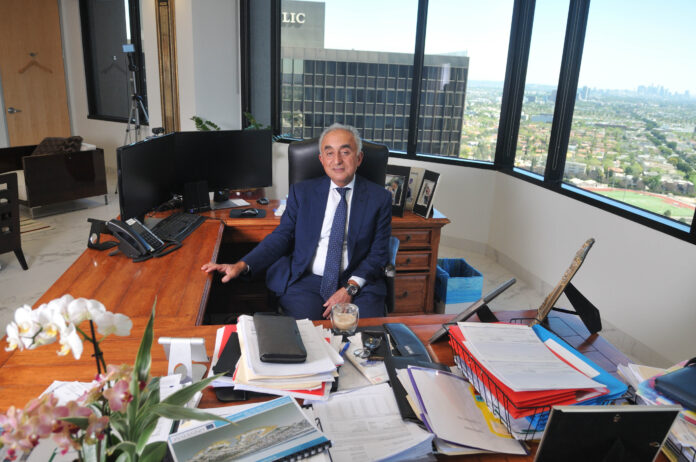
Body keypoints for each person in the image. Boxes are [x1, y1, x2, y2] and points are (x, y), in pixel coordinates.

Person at [201, 124, 392, 320]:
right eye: (329, 153)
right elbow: (282, 237)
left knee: (364, 333)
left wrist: (350, 288)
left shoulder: (380, 199)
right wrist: (241, 265)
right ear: (321, 159)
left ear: (358, 158)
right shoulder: (302, 193)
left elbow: (378, 253)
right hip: (306, 280)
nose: (337, 161)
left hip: (358, 282)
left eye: (345, 152)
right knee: (304, 335)